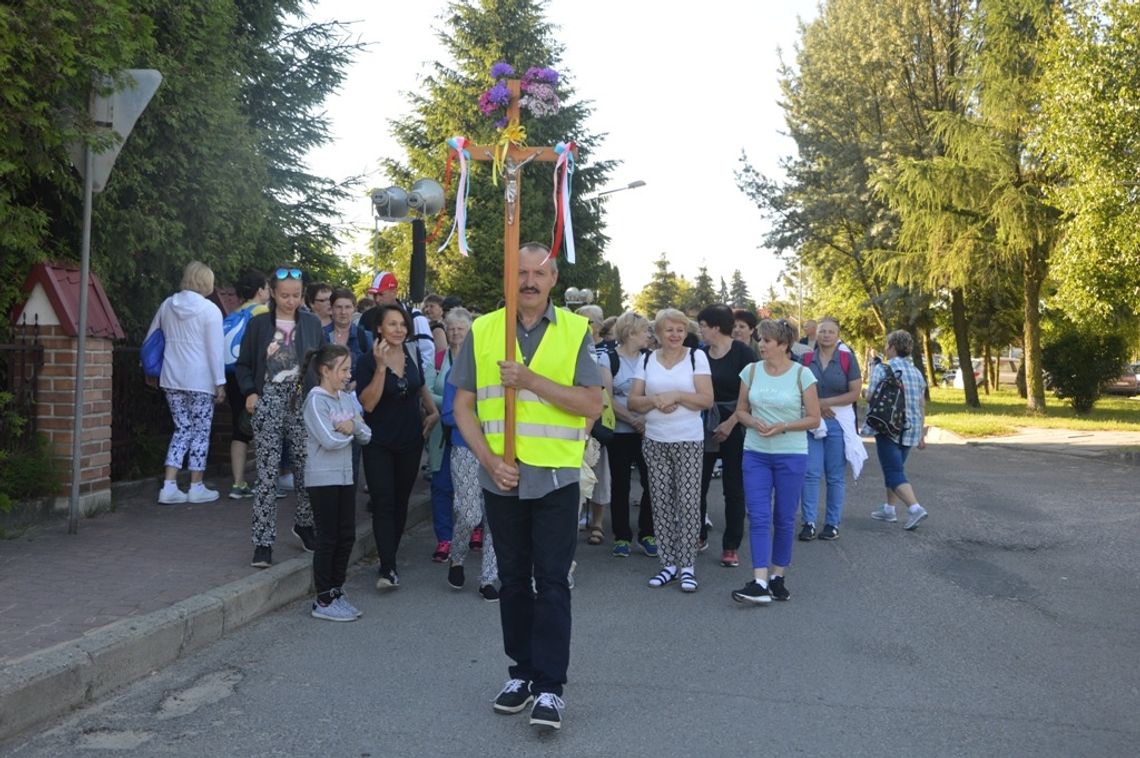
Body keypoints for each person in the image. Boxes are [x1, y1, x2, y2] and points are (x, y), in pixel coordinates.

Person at [451, 242, 602, 732]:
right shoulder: (484, 329)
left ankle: (551, 688)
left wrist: (532, 381)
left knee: (553, 582)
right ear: (509, 279)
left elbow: (591, 405)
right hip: (504, 478)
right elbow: (463, 407)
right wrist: (490, 461)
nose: (530, 281)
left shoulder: (576, 330)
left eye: (539, 273)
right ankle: (521, 673)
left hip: (556, 478)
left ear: (554, 279)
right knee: (512, 581)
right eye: (521, 273)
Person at [235, 266, 326, 568]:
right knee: (267, 473)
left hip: (302, 400)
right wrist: (250, 392)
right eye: (285, 295)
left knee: (305, 468)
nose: (291, 301)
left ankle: (304, 523)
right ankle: (263, 542)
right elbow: (244, 365)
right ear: (272, 293)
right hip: (269, 399)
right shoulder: (259, 324)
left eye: (296, 295)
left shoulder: (312, 324)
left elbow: (323, 362)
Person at [730, 319, 820, 605]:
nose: (761, 345)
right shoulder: (751, 371)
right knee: (758, 516)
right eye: (760, 339)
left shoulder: (802, 375)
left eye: (767, 341)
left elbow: (814, 418)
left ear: (783, 345)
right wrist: (752, 421)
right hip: (755, 452)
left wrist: (783, 426)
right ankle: (758, 581)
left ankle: (777, 577)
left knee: (783, 517)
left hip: (791, 454)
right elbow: (740, 410)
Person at [628, 308, 714, 594]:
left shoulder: (695, 356)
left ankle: (687, 565)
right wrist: (655, 400)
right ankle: (668, 564)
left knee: (688, 503)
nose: (675, 334)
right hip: (655, 439)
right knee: (660, 503)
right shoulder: (647, 358)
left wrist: (676, 395)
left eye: (680, 329)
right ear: (659, 333)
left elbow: (706, 399)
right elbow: (633, 402)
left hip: (688, 440)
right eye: (669, 329)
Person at [355, 302, 440, 590]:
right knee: (383, 501)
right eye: (393, 324)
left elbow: (419, 385)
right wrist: (381, 369)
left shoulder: (411, 352)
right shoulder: (368, 360)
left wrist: (433, 411)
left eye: (403, 324)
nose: (399, 329)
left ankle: (390, 553)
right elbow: (368, 403)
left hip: (410, 439)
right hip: (378, 441)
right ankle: (387, 566)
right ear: (379, 327)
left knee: (401, 500)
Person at [146, 261, 226, 504]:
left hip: (171, 377)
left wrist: (151, 370)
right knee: (201, 433)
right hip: (200, 379)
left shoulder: (167, 305)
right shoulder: (210, 310)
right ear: (206, 282)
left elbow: (151, 338)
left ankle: (169, 486)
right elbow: (215, 350)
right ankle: (196, 486)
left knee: (182, 429)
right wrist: (219, 382)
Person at [302, 343, 372, 621]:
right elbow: (329, 441)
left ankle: (336, 589)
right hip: (322, 479)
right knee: (328, 537)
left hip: (345, 477)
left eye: (349, 369)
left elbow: (367, 433)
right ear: (325, 370)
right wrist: (350, 430)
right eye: (342, 369)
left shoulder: (345, 398)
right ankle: (323, 599)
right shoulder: (315, 401)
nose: (347, 374)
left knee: (347, 535)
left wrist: (353, 427)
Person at [440, 326, 500, 601]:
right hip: (465, 448)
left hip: (499, 450)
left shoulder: (503, 372)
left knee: (496, 517)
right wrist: (477, 422)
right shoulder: (459, 374)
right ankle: (457, 556)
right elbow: (450, 415)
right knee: (470, 513)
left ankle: (488, 578)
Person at [696, 304, 756, 567]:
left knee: (734, 488)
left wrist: (731, 423)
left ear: (716, 327)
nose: (701, 331)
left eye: (703, 326)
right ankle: (697, 535)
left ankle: (731, 545)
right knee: (697, 484)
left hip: (736, 423)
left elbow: (753, 395)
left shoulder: (743, 353)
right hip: (704, 422)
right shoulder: (700, 353)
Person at [798, 316, 865, 542]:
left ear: (837, 335)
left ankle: (832, 524)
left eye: (831, 332)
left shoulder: (847, 359)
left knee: (835, 475)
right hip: (812, 420)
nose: (826, 335)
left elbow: (855, 392)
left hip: (839, 421)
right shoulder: (805, 358)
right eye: (823, 331)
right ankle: (808, 522)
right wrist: (817, 405)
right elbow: (798, 387)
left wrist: (826, 403)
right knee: (810, 473)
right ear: (816, 333)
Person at [865, 329, 929, 530]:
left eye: (887, 345)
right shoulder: (916, 372)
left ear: (892, 347)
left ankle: (915, 508)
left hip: (887, 427)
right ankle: (889, 509)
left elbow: (870, 397)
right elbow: (921, 404)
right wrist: (921, 433)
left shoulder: (882, 369)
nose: (886, 348)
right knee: (896, 469)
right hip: (910, 429)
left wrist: (863, 390)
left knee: (893, 471)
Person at [606, 310, 656, 558]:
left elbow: (658, 391)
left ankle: (648, 532)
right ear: (631, 333)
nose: (650, 334)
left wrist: (644, 420)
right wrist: (632, 419)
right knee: (621, 484)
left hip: (649, 430)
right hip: (620, 431)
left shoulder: (652, 359)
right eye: (646, 330)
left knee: (651, 482)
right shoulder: (608, 358)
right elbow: (605, 397)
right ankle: (622, 536)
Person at [427, 308, 475, 563]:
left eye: (461, 329)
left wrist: (450, 403)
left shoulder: (479, 359)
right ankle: (444, 538)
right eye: (452, 328)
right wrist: (453, 404)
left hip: (470, 436)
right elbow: (426, 390)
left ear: (469, 331)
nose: (456, 333)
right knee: (442, 485)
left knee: (476, 485)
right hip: (441, 435)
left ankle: (476, 528)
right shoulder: (437, 360)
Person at [222, 270, 270, 500]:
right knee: (263, 429)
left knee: (238, 429)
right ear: (260, 290)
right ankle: (265, 480)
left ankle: (238, 482)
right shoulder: (262, 312)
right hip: (253, 377)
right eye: (267, 287)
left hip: (232, 374)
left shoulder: (234, 313)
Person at [575, 303, 612, 545]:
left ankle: (597, 522)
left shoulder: (603, 353)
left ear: (598, 325)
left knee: (598, 472)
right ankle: (579, 515)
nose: (586, 327)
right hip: (572, 417)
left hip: (596, 420)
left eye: (589, 322)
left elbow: (605, 392)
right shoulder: (571, 347)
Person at [360, 271, 435, 382]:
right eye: (375, 295)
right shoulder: (367, 317)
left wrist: (412, 377)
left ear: (394, 292)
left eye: (381, 294)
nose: (377, 299)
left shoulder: (415, 317)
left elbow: (428, 352)